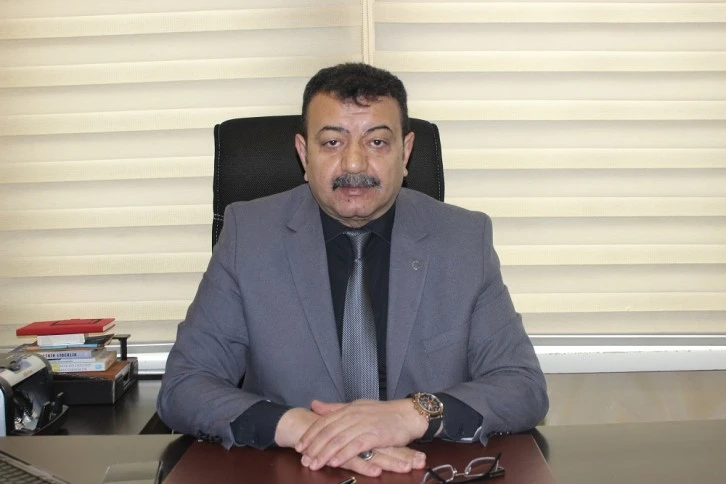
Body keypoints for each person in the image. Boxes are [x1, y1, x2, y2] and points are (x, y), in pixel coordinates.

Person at [157, 62, 548, 478]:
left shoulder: (463, 239)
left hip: (423, 468)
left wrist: (411, 414)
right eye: (332, 142)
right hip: (295, 469)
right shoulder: (249, 236)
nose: (355, 164)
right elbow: (184, 386)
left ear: (405, 152)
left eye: (377, 142)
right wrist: (306, 430)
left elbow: (522, 385)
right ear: (304, 153)